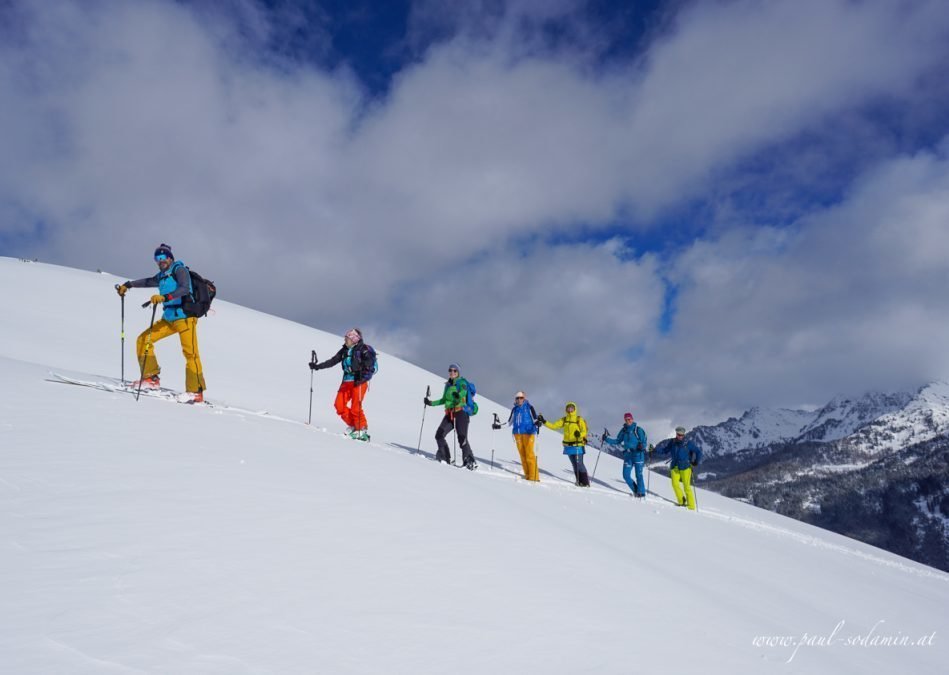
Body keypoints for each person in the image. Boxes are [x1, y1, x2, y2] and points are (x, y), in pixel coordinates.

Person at [116, 243, 206, 403]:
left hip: (185, 317)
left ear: (170, 258)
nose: (160, 261)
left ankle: (195, 392)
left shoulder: (180, 270)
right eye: (157, 258)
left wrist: (165, 297)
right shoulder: (162, 276)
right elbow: (148, 281)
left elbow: (185, 289)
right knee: (144, 339)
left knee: (191, 354)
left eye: (163, 257)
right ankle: (151, 379)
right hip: (169, 318)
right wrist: (128, 285)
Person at [309, 328, 375, 441]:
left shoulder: (363, 350)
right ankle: (354, 426)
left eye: (347, 338)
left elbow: (370, 365)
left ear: (354, 339)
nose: (345, 340)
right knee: (339, 405)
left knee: (355, 407)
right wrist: (318, 367)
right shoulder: (344, 350)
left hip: (359, 382)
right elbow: (333, 361)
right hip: (346, 381)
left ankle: (362, 429)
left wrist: (362, 374)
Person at [424, 363, 477, 469]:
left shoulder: (462, 382)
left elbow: (463, 391)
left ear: (458, 372)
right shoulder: (448, 385)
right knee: (439, 434)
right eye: (450, 370)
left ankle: (469, 461)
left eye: (454, 370)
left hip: (461, 412)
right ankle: (444, 457)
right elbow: (444, 400)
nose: (452, 372)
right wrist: (430, 403)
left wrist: (458, 396)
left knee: (462, 437)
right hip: (450, 413)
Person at [541, 402, 590, 487]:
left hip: (578, 445)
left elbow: (584, 431)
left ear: (575, 409)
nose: (570, 409)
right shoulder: (564, 419)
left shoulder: (579, 419)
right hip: (568, 446)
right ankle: (578, 481)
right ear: (566, 409)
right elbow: (554, 426)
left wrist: (580, 434)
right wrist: (544, 421)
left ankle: (585, 482)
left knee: (580, 464)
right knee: (574, 464)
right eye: (568, 408)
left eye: (572, 408)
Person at [602, 412, 648, 497]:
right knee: (626, 475)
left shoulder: (638, 430)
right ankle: (636, 491)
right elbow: (617, 440)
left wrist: (642, 446)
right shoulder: (623, 430)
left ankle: (641, 494)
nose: (628, 421)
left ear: (632, 419)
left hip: (638, 455)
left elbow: (645, 441)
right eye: (626, 419)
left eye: (629, 419)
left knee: (639, 475)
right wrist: (606, 439)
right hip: (628, 455)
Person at [658, 426, 703, 509]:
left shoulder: (688, 443)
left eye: (681, 435)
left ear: (684, 435)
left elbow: (698, 452)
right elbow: (665, 450)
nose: (680, 436)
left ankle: (691, 506)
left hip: (685, 468)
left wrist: (696, 461)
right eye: (678, 434)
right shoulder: (672, 442)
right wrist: (654, 450)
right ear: (676, 434)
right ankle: (682, 501)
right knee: (674, 484)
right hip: (675, 467)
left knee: (686, 487)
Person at [504, 391, 541, 481]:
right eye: (517, 398)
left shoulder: (529, 407)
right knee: (523, 455)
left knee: (529, 454)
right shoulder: (514, 409)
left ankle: (534, 476)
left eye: (521, 398)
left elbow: (535, 419)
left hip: (528, 433)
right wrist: (498, 426)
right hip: (517, 435)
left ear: (524, 398)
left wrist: (538, 423)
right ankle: (527, 475)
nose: (519, 400)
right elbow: (509, 422)